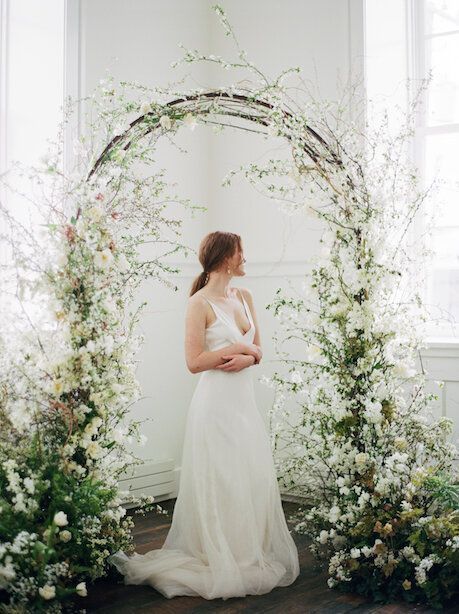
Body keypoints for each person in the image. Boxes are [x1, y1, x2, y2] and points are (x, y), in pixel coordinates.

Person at [109, 231, 300, 600]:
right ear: (226, 258)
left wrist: (246, 355)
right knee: (223, 477)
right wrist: (238, 348)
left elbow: (259, 349)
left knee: (248, 476)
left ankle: (245, 551)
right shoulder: (198, 304)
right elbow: (194, 361)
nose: (245, 258)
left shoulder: (244, 296)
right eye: (241, 252)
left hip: (243, 403)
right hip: (215, 405)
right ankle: (222, 554)